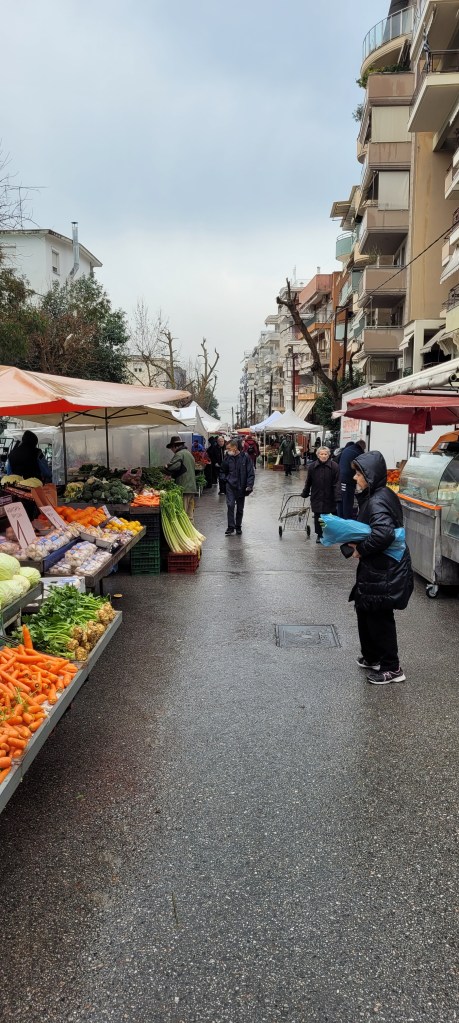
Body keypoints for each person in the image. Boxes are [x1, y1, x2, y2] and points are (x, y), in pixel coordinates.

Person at [350, 450, 414, 686]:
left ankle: (392, 668)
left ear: (370, 475)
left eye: (358, 474)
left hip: (384, 569)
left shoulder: (377, 500)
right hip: (379, 568)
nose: (355, 477)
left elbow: (383, 533)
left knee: (379, 616)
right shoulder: (378, 494)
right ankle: (372, 657)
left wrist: (361, 549)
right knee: (365, 608)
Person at [302, 446, 340, 543]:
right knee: (318, 516)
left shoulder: (334, 466)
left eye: (325, 454)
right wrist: (305, 492)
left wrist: (337, 496)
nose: (323, 456)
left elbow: (337, 483)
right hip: (317, 495)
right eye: (321, 454)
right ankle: (320, 534)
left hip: (329, 496)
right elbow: (308, 482)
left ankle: (328, 533)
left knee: (329, 516)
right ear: (318, 455)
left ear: (328, 455)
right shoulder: (312, 467)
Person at [219, 438, 255, 535]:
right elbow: (222, 471)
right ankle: (231, 527)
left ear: (235, 447)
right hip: (230, 485)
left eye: (229, 448)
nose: (227, 450)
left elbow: (250, 473)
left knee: (240, 508)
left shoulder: (245, 457)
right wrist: (225, 479)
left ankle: (238, 526)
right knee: (230, 505)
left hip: (241, 486)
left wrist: (249, 485)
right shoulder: (227, 458)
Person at [164, 435, 198, 521]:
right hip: (192, 488)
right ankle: (191, 529)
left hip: (184, 487)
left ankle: (185, 529)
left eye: (171, 448)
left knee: (182, 513)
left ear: (175, 446)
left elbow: (174, 466)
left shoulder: (179, 454)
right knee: (190, 515)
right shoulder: (189, 453)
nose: (172, 451)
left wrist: (166, 467)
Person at [338, 438, 366, 518]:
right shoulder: (358, 452)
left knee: (341, 501)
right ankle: (346, 520)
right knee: (347, 501)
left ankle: (340, 519)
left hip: (340, 478)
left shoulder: (347, 449)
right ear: (362, 447)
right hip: (348, 480)